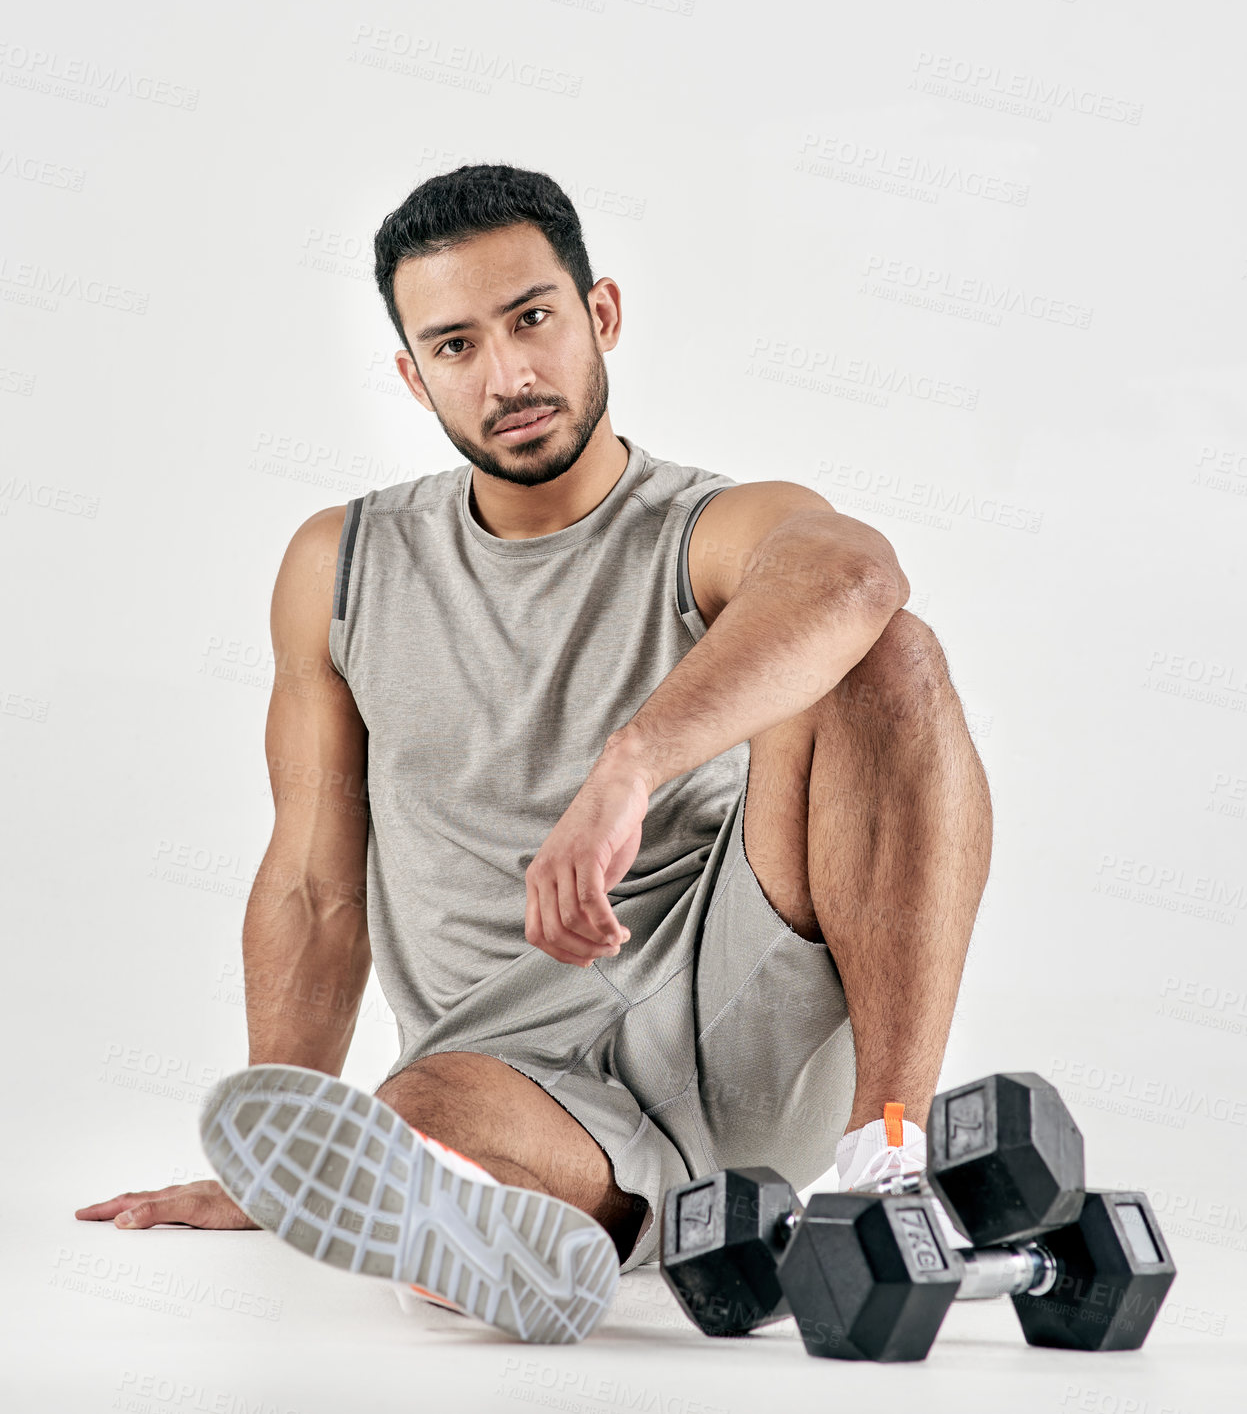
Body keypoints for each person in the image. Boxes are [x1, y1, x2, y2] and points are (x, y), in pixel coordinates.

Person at [77, 164, 993, 1343]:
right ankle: (493, 1226)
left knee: (883, 654)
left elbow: (854, 577)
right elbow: (313, 884)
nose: (506, 375)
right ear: (413, 378)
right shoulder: (340, 568)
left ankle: (888, 1166)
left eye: (532, 319)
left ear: (598, 314)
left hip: (742, 1005)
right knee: (416, 1113)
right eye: (455, 346)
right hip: (512, 1073)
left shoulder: (711, 528)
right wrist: (282, 1142)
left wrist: (631, 764)